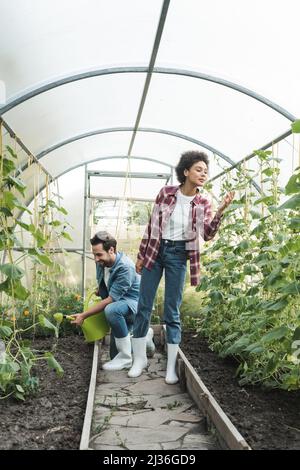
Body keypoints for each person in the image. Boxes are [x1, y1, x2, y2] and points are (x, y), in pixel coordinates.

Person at [128, 150, 235, 384]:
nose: (203, 174)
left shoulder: (203, 202)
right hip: (156, 252)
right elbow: (152, 226)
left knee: (172, 311)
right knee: (143, 305)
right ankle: (139, 360)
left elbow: (206, 234)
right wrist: (141, 255)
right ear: (185, 171)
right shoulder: (166, 193)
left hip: (178, 255)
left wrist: (220, 211)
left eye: (206, 171)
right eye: (198, 169)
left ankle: (170, 368)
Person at [71, 231, 155, 371]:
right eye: (94, 254)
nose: (96, 259)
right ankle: (145, 339)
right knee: (112, 356)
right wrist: (101, 289)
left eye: (99, 254)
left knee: (111, 309)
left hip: (136, 307)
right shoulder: (102, 263)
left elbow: (111, 300)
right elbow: (108, 284)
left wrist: (83, 315)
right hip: (121, 306)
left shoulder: (125, 267)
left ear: (111, 250)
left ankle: (126, 358)